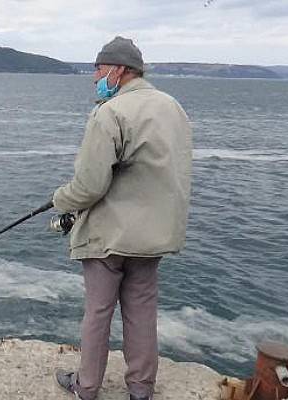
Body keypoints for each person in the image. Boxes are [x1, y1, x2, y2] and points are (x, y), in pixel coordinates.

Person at [52, 36, 193, 400]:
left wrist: (59, 200)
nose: (95, 75)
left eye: (98, 68)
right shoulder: (173, 107)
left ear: (118, 70)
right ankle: (141, 389)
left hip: (110, 236)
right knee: (142, 311)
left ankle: (86, 387)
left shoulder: (109, 113)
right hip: (154, 235)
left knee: (98, 312)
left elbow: (89, 185)